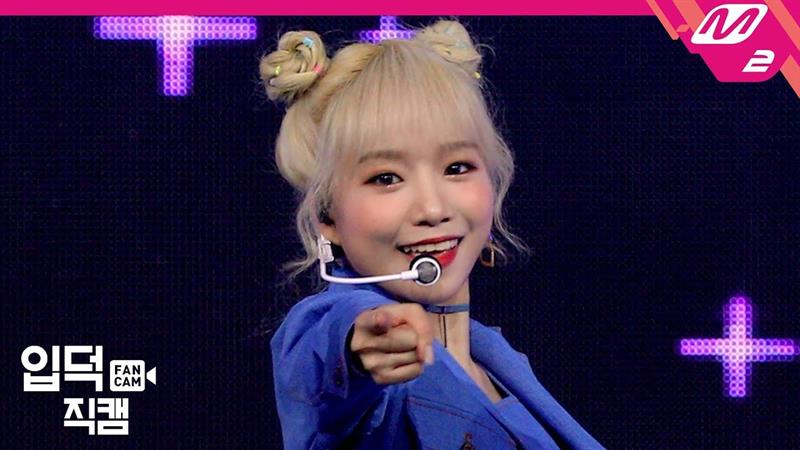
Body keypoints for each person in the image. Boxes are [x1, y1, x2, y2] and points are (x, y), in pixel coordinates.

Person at [260, 20, 605, 449]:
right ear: (326, 215)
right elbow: (332, 348)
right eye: (386, 177)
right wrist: (359, 348)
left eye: (457, 168)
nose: (434, 209)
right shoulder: (338, 331)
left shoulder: (498, 363)